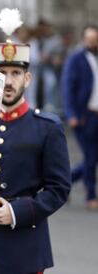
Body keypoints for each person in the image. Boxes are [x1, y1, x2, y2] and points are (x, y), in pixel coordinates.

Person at [0, 31, 71, 273]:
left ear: (27, 78)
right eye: (1, 74)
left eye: (16, 73)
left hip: (24, 247)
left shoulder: (47, 128)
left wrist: (16, 212)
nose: (8, 81)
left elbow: (58, 189)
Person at [62, 25, 98, 209]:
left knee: (93, 158)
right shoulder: (76, 59)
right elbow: (68, 87)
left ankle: (63, 184)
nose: (92, 43)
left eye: (95, 39)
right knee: (91, 157)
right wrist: (71, 114)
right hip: (85, 117)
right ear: (84, 39)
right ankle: (91, 196)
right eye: (89, 39)